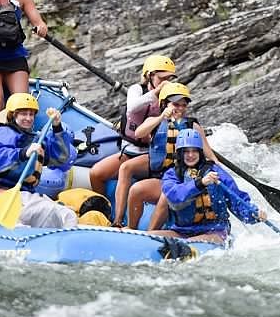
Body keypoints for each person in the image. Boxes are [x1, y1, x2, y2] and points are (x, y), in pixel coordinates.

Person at [88, 55, 177, 227]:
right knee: (96, 173)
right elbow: (133, 107)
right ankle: (105, 212)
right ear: (149, 76)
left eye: (169, 79)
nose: (165, 82)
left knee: (126, 168)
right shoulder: (137, 90)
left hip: (153, 154)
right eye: (162, 78)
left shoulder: (170, 98)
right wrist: (155, 93)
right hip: (130, 150)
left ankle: (118, 220)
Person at [0, 93, 78, 228]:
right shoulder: (2, 132)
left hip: (24, 195)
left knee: (67, 216)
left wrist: (57, 127)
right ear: (13, 115)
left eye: (31, 114)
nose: (28, 118)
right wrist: (23, 153)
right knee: (46, 213)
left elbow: (61, 158)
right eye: (23, 114)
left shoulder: (36, 139)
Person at [124, 81, 215, 230]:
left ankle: (151, 234)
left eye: (183, 105)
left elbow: (209, 153)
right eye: (176, 104)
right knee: (136, 189)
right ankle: (131, 228)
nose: (180, 108)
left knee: (167, 195)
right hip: (162, 177)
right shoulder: (154, 121)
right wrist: (161, 118)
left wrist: (218, 171)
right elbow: (139, 133)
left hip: (185, 180)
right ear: (165, 104)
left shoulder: (193, 126)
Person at [151, 129, 266, 243]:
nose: (190, 155)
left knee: (188, 244)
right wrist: (200, 183)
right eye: (186, 151)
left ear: (200, 152)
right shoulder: (172, 174)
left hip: (214, 231)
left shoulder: (216, 172)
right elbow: (174, 195)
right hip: (182, 232)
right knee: (150, 237)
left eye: (194, 151)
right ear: (180, 153)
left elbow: (237, 200)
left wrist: (254, 214)